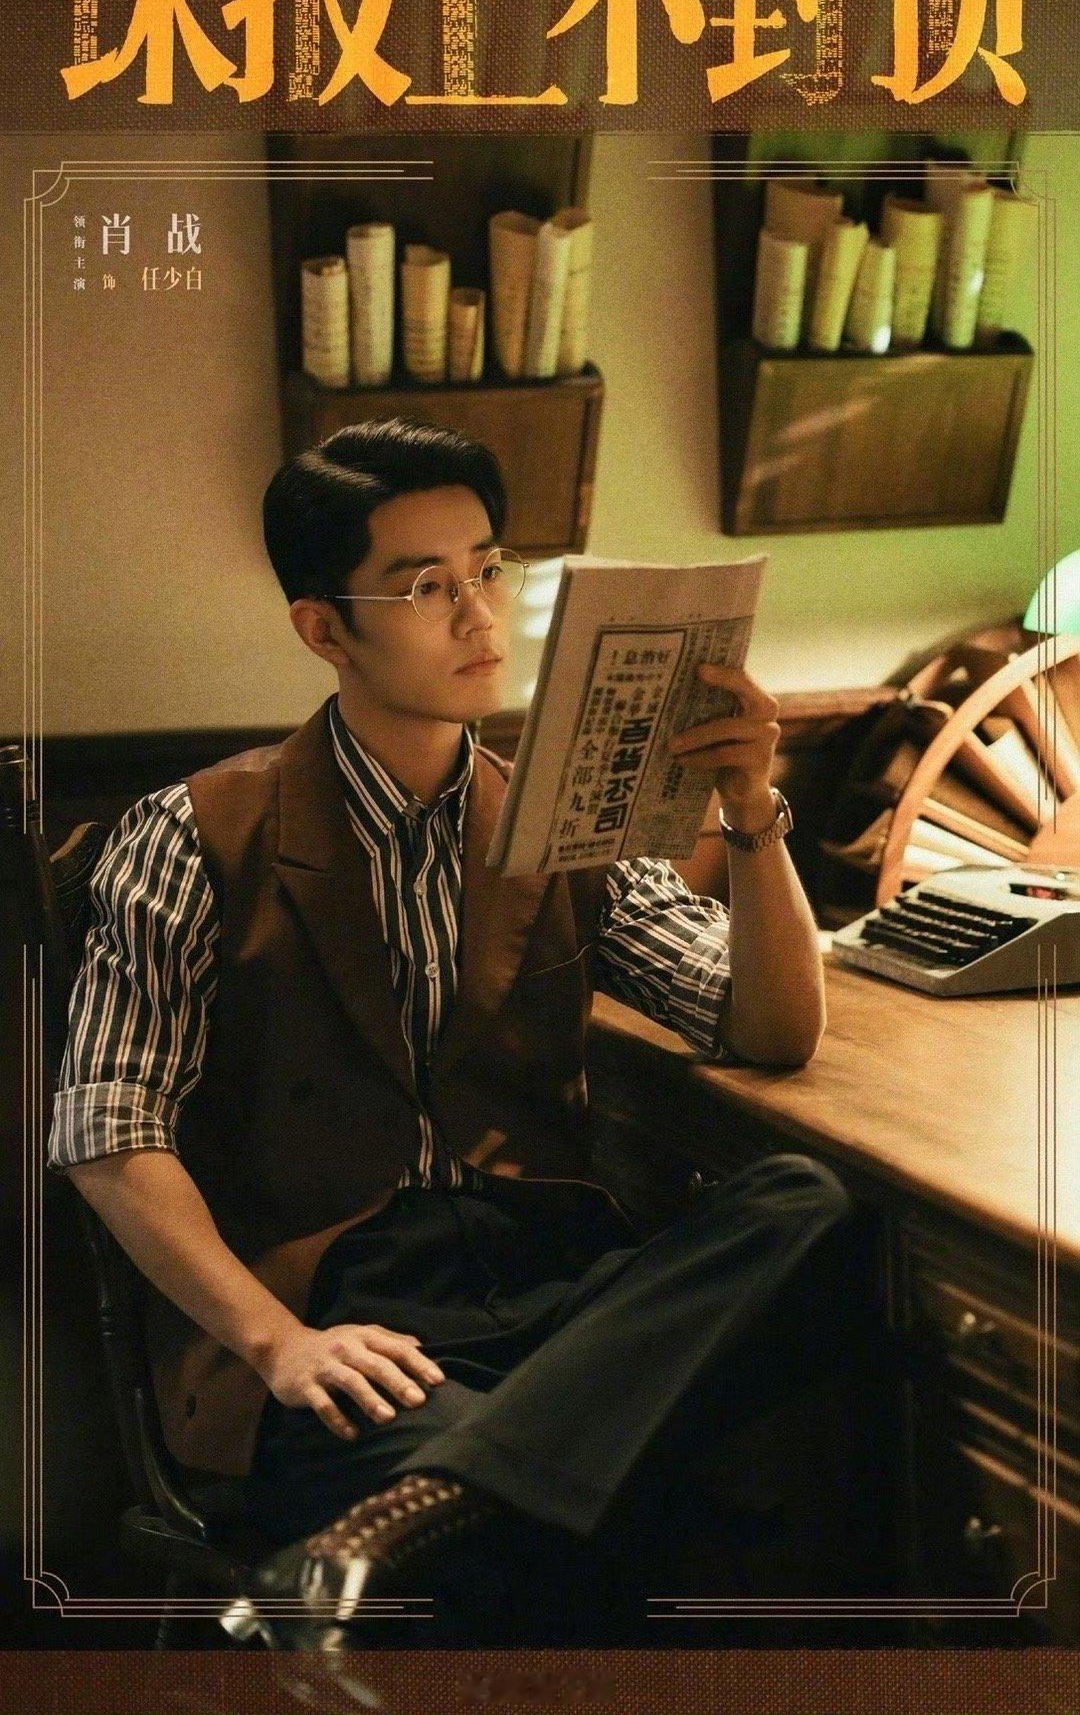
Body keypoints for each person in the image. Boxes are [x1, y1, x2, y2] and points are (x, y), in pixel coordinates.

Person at [47, 419, 851, 1646]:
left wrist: (750, 810)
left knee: (804, 1202)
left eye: (488, 570)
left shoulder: (557, 814)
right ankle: (496, 1489)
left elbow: (770, 1028)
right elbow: (109, 1132)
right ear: (325, 629)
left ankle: (409, 1518)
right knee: (601, 1520)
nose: (482, 617)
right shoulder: (192, 833)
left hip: (551, 1292)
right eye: (428, 587)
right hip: (341, 1320)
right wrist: (279, 1345)